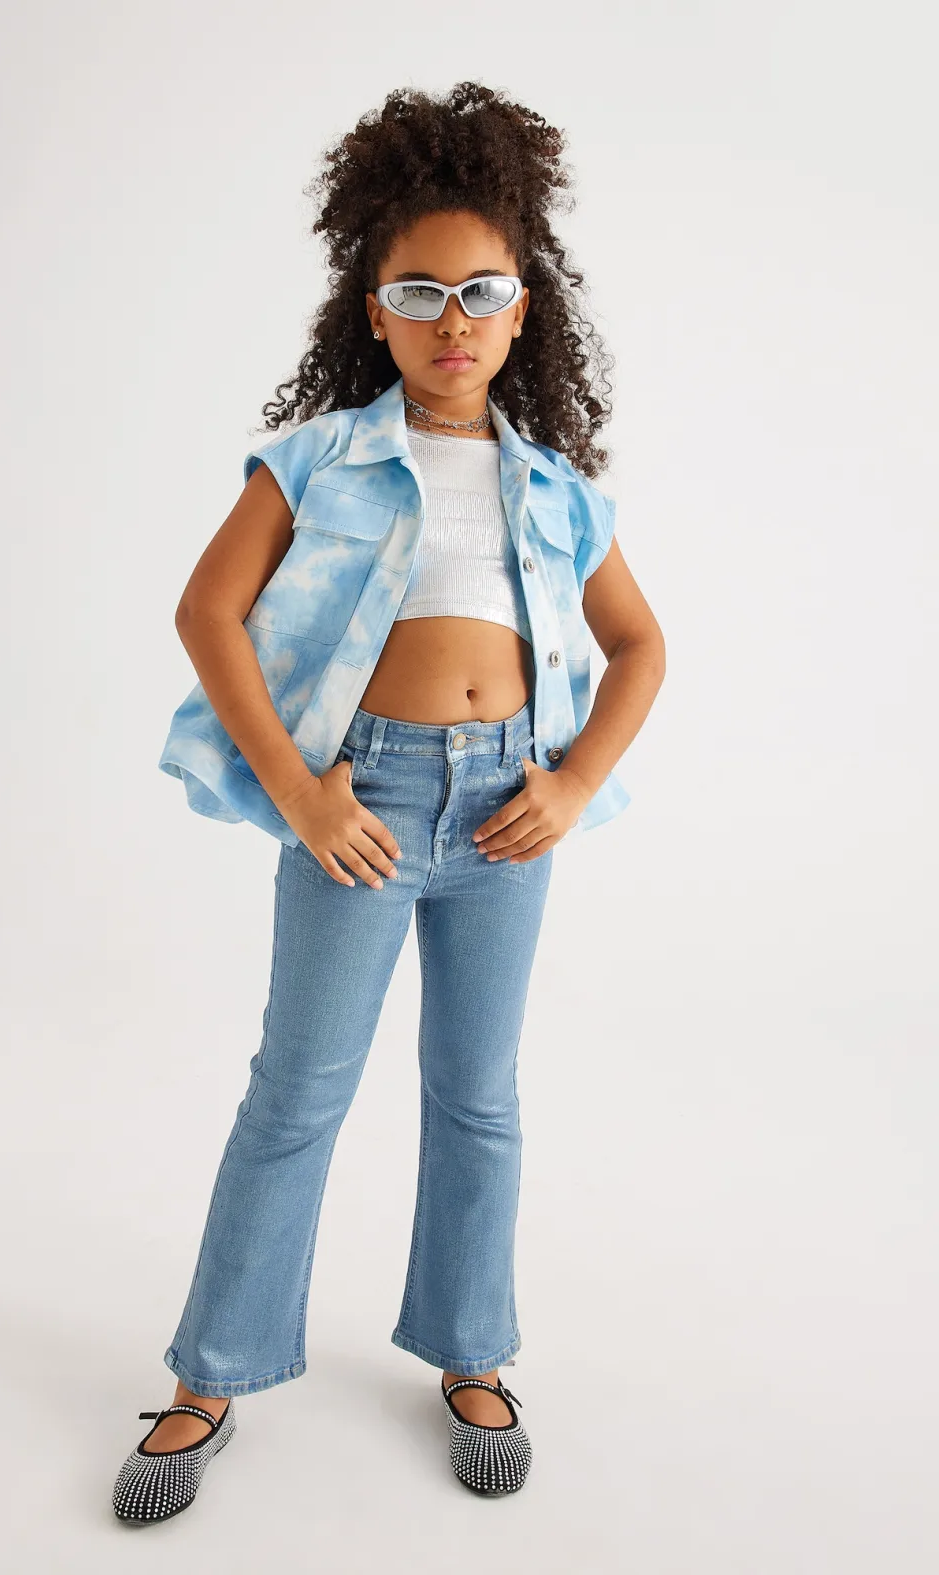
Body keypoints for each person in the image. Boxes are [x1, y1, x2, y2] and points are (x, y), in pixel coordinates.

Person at [113, 80, 665, 1524]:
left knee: (479, 1095)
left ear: (523, 309)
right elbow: (207, 613)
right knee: (297, 1091)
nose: (451, 319)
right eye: (419, 292)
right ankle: (210, 1372)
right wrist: (301, 796)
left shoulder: (555, 488)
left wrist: (575, 782)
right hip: (361, 805)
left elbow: (640, 646)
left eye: (481, 291)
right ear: (375, 310)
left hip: (504, 818)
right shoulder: (317, 460)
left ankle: (473, 1351)